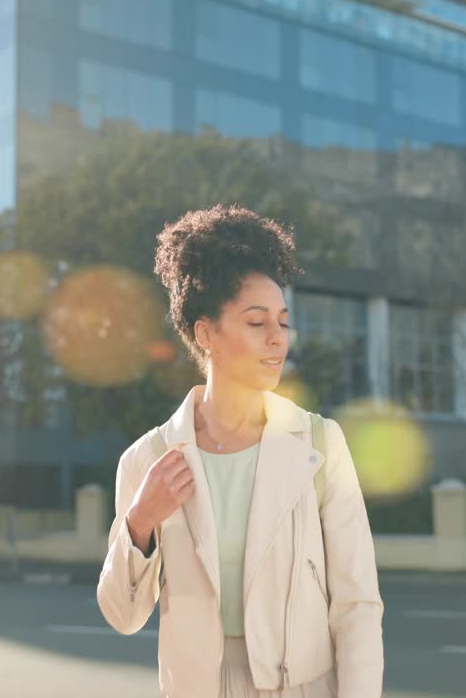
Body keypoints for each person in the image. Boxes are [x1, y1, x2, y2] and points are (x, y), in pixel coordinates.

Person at [96, 205, 384, 697]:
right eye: (256, 323)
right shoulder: (149, 460)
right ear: (206, 333)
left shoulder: (319, 443)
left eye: (283, 322)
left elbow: (356, 604)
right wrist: (141, 521)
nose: (277, 339)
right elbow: (123, 617)